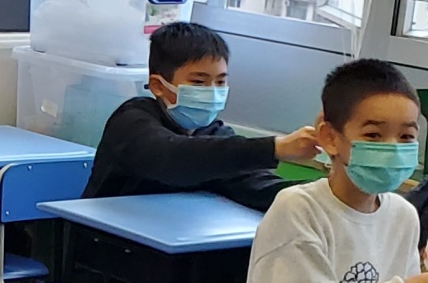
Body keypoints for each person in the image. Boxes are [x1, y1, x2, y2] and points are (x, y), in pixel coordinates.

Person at [236, 57, 428, 283]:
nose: (393, 148)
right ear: (330, 138)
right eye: (373, 135)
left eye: (406, 136)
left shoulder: (404, 215)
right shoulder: (298, 210)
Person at [83, 23, 318, 209]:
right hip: (103, 243)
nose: (212, 91)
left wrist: (325, 192)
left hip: (174, 241)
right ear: (158, 86)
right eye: (198, 82)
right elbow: (174, 159)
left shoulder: (216, 134)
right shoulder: (131, 121)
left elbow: (257, 186)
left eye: (220, 82)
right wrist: (275, 148)